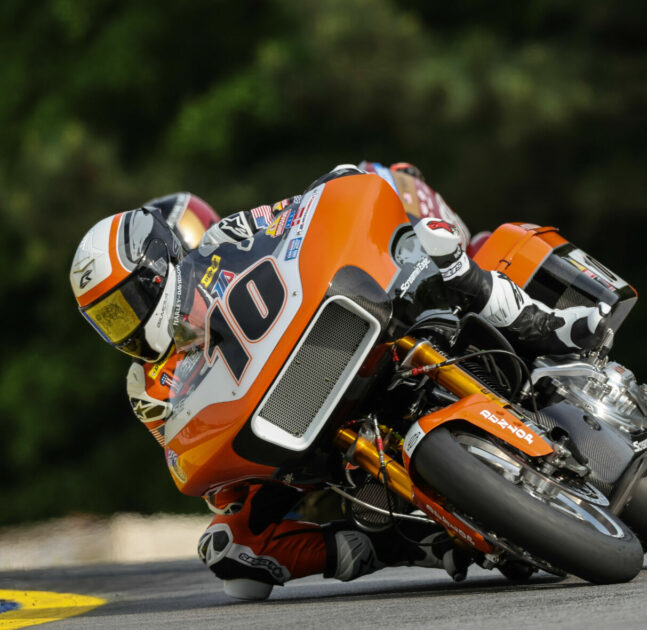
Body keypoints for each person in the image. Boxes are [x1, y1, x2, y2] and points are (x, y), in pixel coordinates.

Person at [70, 162, 607, 600]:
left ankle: (552, 328)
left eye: (124, 306)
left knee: (467, 253)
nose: (125, 325)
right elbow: (206, 474)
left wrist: (335, 189)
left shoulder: (226, 239)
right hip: (290, 437)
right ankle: (401, 542)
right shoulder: (146, 386)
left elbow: (290, 222)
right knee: (228, 550)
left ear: (157, 268)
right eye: (108, 319)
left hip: (339, 335)